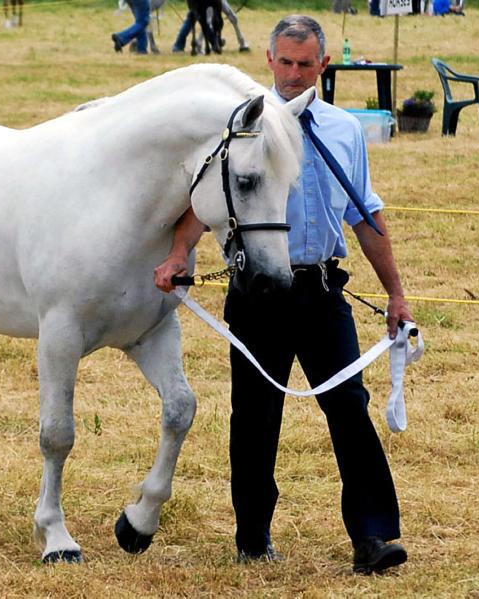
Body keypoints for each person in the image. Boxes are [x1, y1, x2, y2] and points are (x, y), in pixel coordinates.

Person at [154, 14, 414, 574]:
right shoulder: (243, 129)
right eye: (286, 63)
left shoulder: (344, 129)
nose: (294, 75)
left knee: (350, 408)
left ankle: (373, 537)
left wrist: (397, 294)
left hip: (321, 292)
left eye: (305, 64)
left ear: (324, 64)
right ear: (269, 61)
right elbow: (206, 203)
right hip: (256, 293)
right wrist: (178, 255)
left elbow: (365, 215)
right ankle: (252, 536)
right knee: (254, 417)